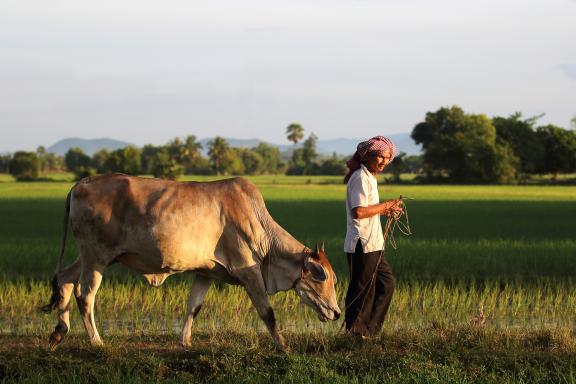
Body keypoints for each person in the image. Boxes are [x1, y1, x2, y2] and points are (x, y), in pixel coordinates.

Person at [343, 136, 403, 338]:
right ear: (368, 155)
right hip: (362, 243)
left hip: (374, 243)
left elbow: (369, 209)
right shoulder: (360, 177)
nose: (384, 162)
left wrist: (386, 211)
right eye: (380, 157)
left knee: (386, 284)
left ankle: (369, 331)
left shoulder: (369, 177)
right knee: (362, 291)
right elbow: (358, 212)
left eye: (387, 158)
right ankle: (356, 335)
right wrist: (386, 205)